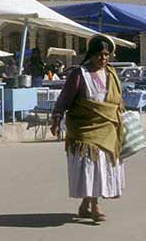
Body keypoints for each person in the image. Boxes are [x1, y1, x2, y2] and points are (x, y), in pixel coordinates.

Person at [50, 36, 125, 223]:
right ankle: (95, 206)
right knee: (91, 166)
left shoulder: (110, 73)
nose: (103, 58)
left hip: (107, 127)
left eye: (106, 55)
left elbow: (117, 99)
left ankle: (85, 205)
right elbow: (65, 98)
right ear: (91, 55)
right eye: (99, 54)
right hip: (84, 127)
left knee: (99, 167)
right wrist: (56, 118)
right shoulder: (79, 74)